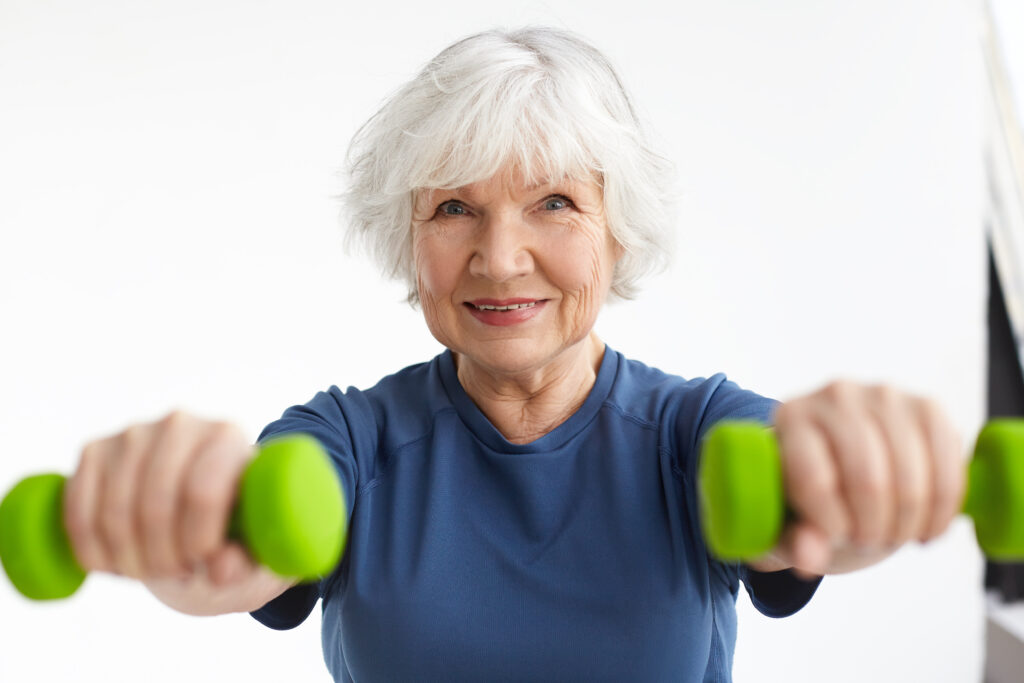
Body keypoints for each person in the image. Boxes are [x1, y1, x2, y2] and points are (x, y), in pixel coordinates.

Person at [61, 26, 965, 682]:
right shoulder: (347, 439)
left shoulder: (698, 433)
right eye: (454, 208)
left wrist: (863, 481)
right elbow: (241, 557)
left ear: (619, 230)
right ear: (409, 238)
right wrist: (176, 537)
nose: (499, 258)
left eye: (555, 203)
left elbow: (805, 516)